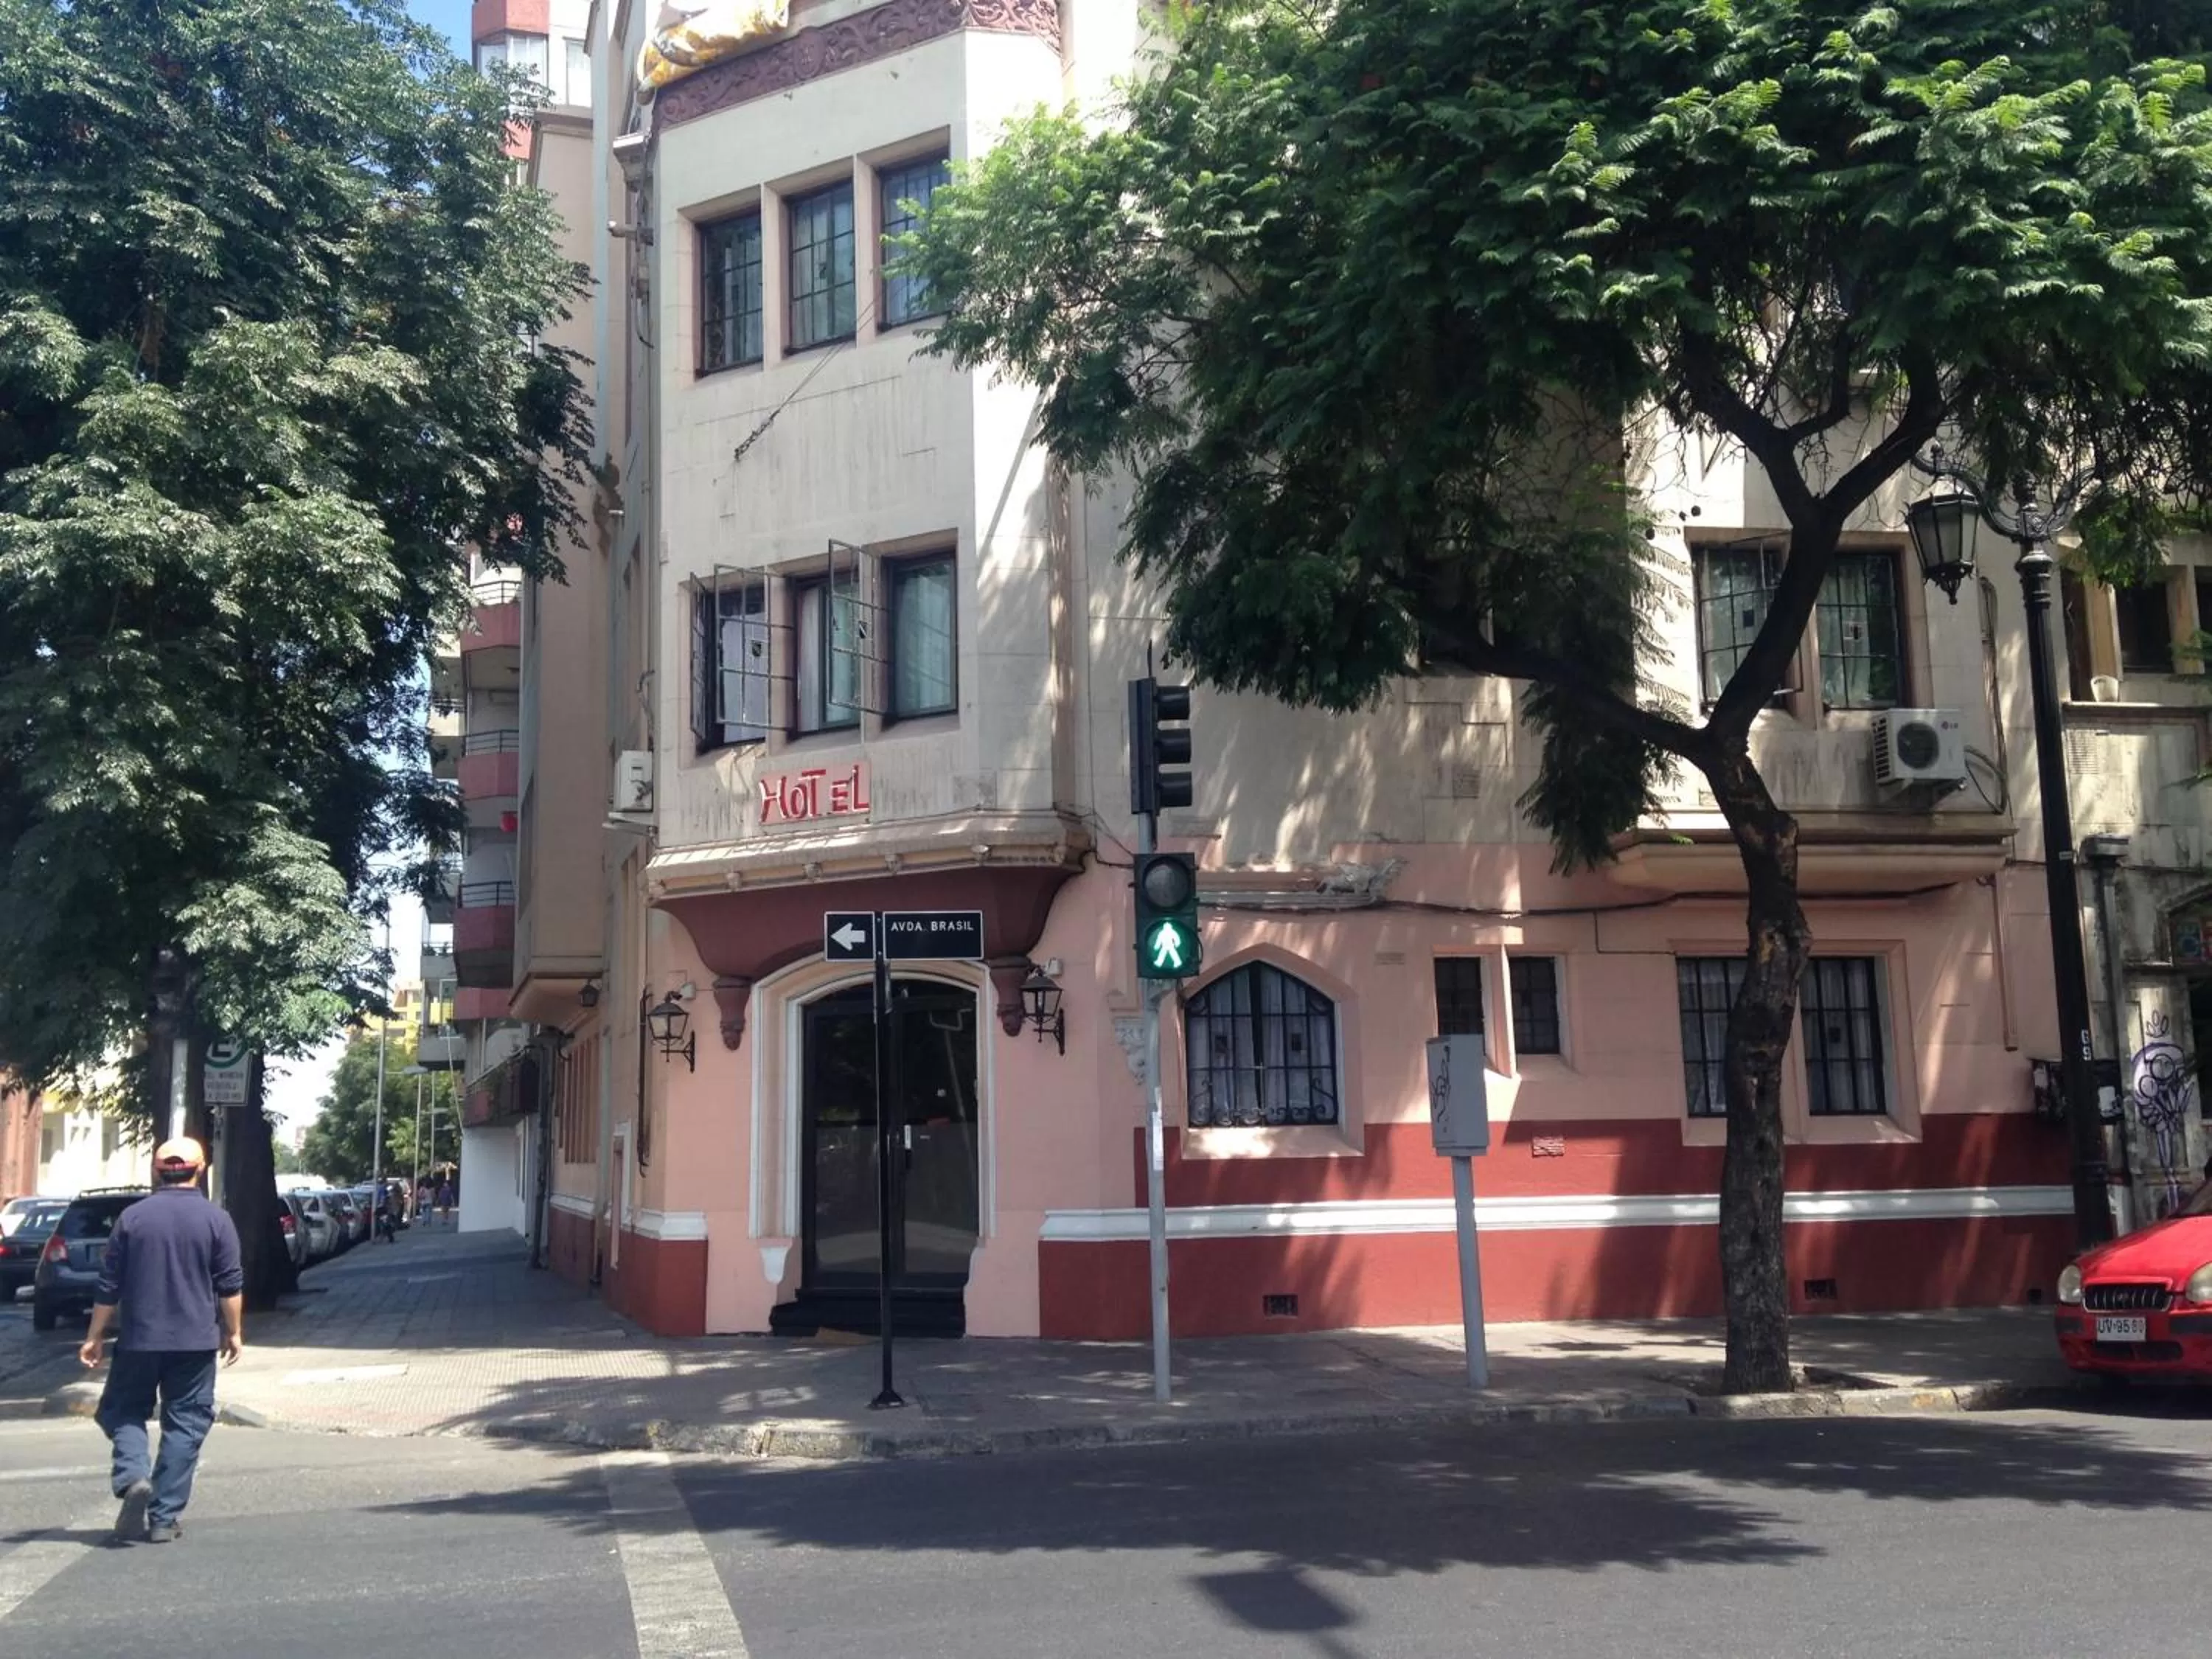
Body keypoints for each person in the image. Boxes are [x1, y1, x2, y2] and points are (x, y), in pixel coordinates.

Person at [78, 1136, 243, 1544]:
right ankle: (164, 1519)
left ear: (157, 1171)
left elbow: (108, 1286)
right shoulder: (217, 1220)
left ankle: (133, 1474)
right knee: (186, 1422)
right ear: (200, 1169)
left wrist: (94, 1336)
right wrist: (234, 1331)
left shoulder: (132, 1219)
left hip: (139, 1339)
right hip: (195, 1342)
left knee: (122, 1410)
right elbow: (230, 1285)